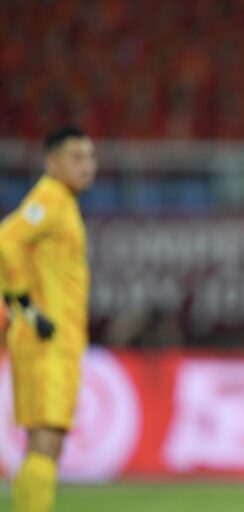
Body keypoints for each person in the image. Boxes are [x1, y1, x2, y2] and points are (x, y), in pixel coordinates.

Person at [0, 125, 97, 512]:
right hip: (46, 341)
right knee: (46, 440)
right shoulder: (50, 197)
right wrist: (22, 301)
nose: (87, 165)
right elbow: (6, 239)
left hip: (55, 340)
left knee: (43, 445)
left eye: (90, 157)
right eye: (77, 158)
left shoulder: (62, 202)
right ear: (51, 163)